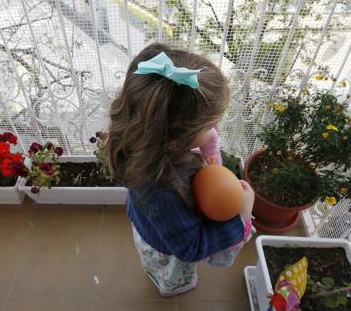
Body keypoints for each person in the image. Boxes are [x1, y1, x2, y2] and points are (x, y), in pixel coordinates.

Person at [105, 42, 255, 297]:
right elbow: (191, 247)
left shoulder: (139, 141)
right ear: (176, 139)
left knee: (154, 256)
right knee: (172, 274)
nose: (215, 129)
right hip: (167, 246)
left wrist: (205, 151)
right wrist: (241, 214)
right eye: (209, 124)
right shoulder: (161, 190)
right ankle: (173, 287)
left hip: (150, 226)